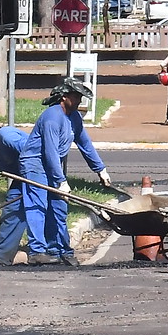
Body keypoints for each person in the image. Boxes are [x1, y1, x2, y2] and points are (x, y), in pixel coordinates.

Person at [31, 80, 113, 266]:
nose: (79, 101)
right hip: (35, 164)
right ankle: (36, 251)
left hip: (52, 165)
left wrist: (100, 169)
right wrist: (60, 180)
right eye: (76, 97)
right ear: (64, 97)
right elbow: (50, 151)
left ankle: (59, 249)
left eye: (80, 98)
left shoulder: (74, 117)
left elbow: (85, 144)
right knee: (39, 205)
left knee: (59, 206)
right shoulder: (52, 118)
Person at [0, 124, 37, 265]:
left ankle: (51, 251)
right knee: (13, 210)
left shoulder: (5, 135)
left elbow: (32, 150)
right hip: (22, 175)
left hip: (39, 171)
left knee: (43, 211)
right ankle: (2, 256)